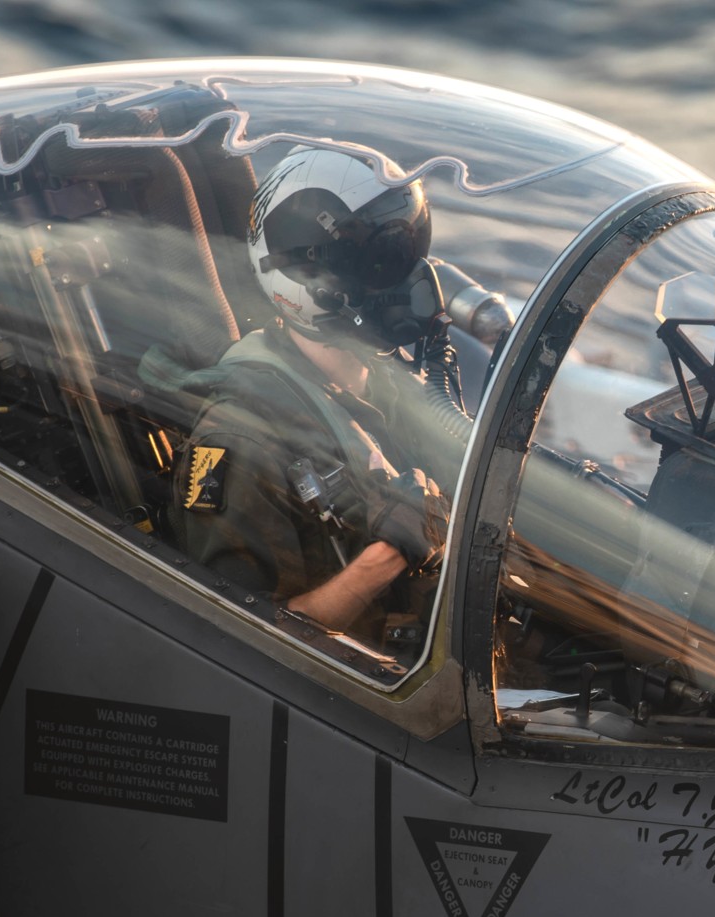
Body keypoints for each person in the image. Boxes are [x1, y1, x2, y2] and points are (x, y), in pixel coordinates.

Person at [170, 145, 504, 642]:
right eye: (380, 264)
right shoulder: (242, 439)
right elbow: (239, 643)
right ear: (310, 281)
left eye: (407, 255)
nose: (410, 281)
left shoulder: (391, 378)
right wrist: (386, 558)